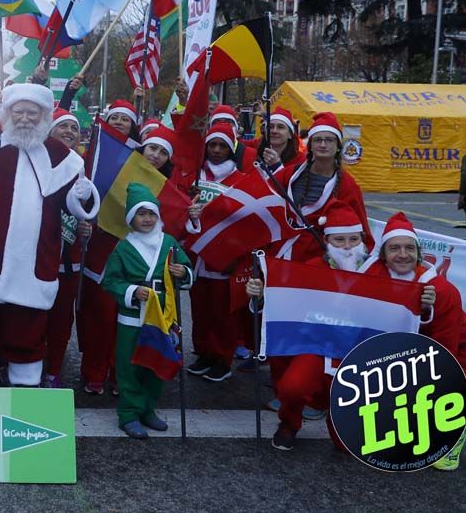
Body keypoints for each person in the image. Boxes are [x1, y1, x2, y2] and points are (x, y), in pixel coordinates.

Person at [0, 82, 100, 388]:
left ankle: (24, 400)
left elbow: (69, 205)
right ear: (7, 113)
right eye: (19, 112)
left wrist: (80, 195)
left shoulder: (64, 157)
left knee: (27, 335)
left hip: (34, 265)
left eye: (33, 113)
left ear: (45, 116)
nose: (25, 118)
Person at [358, 212, 466, 470]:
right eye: (395, 248)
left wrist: (425, 315)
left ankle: (452, 433)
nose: (403, 254)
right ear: (383, 253)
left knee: (431, 387)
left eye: (409, 248)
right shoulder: (371, 277)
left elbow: (445, 353)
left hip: (455, 365)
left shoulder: (442, 291)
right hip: (401, 358)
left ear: (419, 253)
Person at [246, 203, 367, 451]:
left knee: (345, 442)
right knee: (292, 388)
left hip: (359, 349)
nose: (347, 246)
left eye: (353, 239)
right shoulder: (310, 269)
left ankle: (344, 426)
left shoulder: (375, 270)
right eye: (340, 239)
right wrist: (260, 295)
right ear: (327, 241)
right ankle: (289, 423)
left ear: (362, 240)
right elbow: (285, 303)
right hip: (317, 346)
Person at [101, 184, 194, 438]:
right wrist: (132, 291)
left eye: (151, 214)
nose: (147, 219)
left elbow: (188, 272)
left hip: (162, 317)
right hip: (132, 318)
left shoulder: (170, 243)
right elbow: (110, 281)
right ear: (131, 217)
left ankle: (148, 409)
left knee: (156, 364)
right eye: (141, 214)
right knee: (130, 366)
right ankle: (129, 413)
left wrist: (182, 273)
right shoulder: (124, 247)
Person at [77, 98, 140, 394]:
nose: (118, 123)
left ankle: (119, 372)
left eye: (124, 120)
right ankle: (94, 371)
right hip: (98, 247)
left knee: (123, 317)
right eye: (113, 118)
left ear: (133, 125)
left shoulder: (141, 161)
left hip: (128, 247)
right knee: (95, 315)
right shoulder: (93, 155)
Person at [185, 122, 251, 382]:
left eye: (222, 145)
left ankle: (222, 359)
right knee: (200, 310)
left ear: (231, 148)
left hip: (225, 258)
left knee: (224, 313)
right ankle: (204, 353)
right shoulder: (195, 176)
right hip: (197, 256)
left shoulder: (241, 180)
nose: (216, 150)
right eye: (212, 144)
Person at [272, 111, 372, 262]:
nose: (323, 145)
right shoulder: (289, 175)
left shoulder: (347, 186)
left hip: (318, 263)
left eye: (329, 140)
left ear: (338, 146)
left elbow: (360, 232)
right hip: (278, 254)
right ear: (310, 145)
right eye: (318, 140)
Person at [43, 107, 92, 388]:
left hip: (69, 261)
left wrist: (88, 227)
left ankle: (53, 369)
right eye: (63, 126)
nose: (69, 132)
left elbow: (91, 209)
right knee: (35, 317)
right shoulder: (36, 162)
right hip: (38, 258)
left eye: (74, 128)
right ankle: (29, 366)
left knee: (61, 320)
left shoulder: (83, 167)